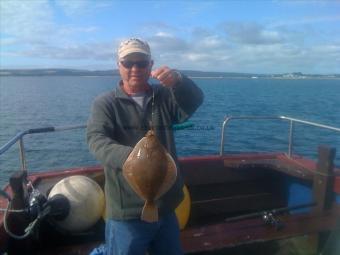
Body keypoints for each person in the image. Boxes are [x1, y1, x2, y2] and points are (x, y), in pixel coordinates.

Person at [87, 38, 203, 255]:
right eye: (128, 63)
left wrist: (179, 80)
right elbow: (96, 139)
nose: (135, 68)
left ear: (151, 65)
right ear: (118, 65)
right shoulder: (105, 103)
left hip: (167, 207)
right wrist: (132, 158)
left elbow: (195, 100)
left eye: (141, 63)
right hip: (126, 212)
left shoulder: (164, 96)